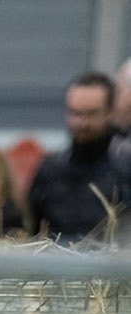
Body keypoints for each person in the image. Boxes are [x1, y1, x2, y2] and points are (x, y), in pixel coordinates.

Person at [28, 73, 129, 242]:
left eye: (91, 114)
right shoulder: (51, 168)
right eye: (74, 113)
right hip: (59, 262)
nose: (80, 123)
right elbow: (31, 226)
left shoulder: (125, 164)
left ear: (110, 111)